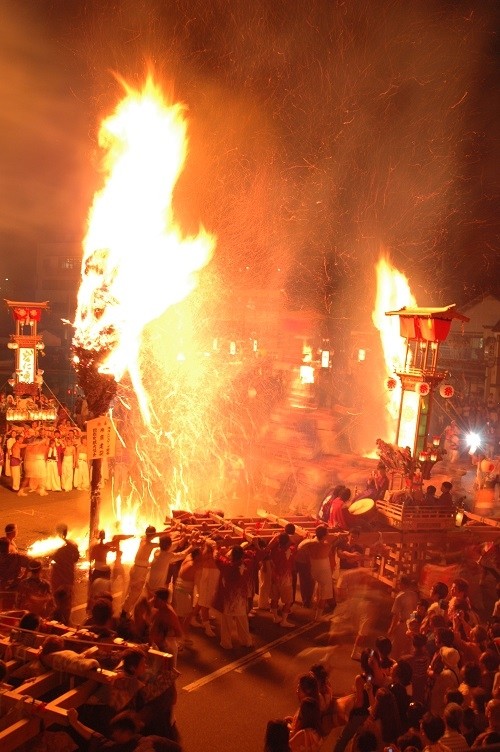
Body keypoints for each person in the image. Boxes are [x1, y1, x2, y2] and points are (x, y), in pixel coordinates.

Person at [66, 707, 182, 751]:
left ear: (126, 732)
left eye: (116, 731)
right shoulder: (118, 746)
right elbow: (96, 737)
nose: (113, 735)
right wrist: (75, 722)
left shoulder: (147, 745)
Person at [122, 526, 168, 615]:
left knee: (130, 592)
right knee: (135, 594)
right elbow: (163, 544)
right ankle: (124, 613)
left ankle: (125, 611)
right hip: (140, 571)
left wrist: (169, 530)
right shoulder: (150, 545)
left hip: (135, 568)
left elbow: (155, 535)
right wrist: (172, 533)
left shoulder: (143, 539)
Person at [215, 544, 253, 650]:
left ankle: (226, 643)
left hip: (229, 599)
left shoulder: (227, 565)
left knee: (226, 623)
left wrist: (220, 550)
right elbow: (249, 554)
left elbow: (217, 558)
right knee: (243, 622)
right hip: (241, 599)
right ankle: (246, 642)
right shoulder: (247, 563)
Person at [50, 524, 80, 622]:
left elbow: (54, 560)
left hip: (59, 578)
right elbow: (76, 558)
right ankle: (66, 620)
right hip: (68, 577)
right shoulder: (72, 545)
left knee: (58, 601)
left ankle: (59, 621)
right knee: (68, 601)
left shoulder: (59, 547)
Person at [173, 547, 202, 645]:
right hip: (183, 591)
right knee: (183, 616)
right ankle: (178, 639)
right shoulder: (193, 565)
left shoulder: (189, 557)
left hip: (180, 588)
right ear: (197, 556)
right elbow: (197, 583)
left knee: (186, 614)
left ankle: (183, 635)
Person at [150, 587, 183, 667]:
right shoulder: (158, 609)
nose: (152, 600)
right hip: (158, 647)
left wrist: (165, 637)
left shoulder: (169, 614)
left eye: (155, 598)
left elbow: (179, 632)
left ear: (162, 601)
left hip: (168, 649)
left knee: (167, 674)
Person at [268, 533, 296, 628]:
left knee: (274, 598)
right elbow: (294, 542)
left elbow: (270, 547)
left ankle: (275, 617)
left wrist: (275, 538)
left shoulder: (274, 550)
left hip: (275, 578)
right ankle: (284, 621)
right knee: (288, 601)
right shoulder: (290, 550)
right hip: (286, 580)